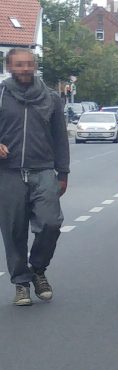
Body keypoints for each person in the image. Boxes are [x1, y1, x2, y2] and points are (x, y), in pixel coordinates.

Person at [0, 48, 69, 306]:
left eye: (29, 64)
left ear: (35, 66)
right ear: (9, 67)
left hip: (43, 171)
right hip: (8, 173)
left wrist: (63, 172)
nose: (25, 69)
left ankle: (38, 269)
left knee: (51, 223)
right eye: (19, 65)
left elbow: (61, 138)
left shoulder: (50, 97)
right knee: (14, 231)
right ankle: (20, 283)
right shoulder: (1, 95)